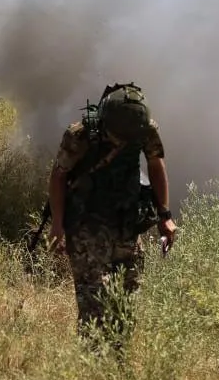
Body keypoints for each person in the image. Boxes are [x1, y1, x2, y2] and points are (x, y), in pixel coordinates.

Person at [46, 83, 178, 354]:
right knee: (93, 299)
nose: (124, 141)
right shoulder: (80, 135)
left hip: (125, 223)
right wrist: (58, 225)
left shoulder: (145, 129)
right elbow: (58, 175)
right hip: (86, 226)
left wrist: (165, 215)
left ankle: (117, 360)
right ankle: (92, 367)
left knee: (127, 297)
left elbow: (156, 164)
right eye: (119, 136)